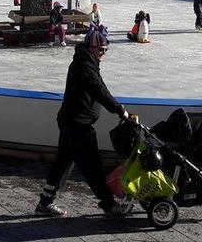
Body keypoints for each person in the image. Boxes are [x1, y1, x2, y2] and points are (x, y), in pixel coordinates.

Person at [35, 30, 131, 217]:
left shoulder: (88, 62)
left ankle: (45, 203)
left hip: (72, 121)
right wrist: (120, 110)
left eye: (105, 50)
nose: (104, 53)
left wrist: (119, 109)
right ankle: (109, 205)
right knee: (92, 167)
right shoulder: (84, 66)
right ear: (92, 48)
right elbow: (99, 90)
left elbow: (101, 88)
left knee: (62, 164)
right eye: (101, 50)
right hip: (78, 125)